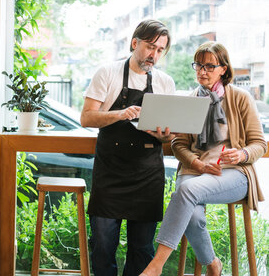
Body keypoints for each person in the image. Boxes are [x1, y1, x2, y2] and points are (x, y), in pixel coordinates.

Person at [140, 42, 266, 276]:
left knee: (186, 191)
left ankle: (155, 266)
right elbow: (179, 144)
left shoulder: (240, 98)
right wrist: (197, 163)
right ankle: (213, 264)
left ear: (223, 69)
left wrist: (242, 154)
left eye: (209, 66)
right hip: (194, 171)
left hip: (233, 173)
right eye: (198, 65)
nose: (202, 71)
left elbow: (259, 143)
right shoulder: (190, 100)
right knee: (193, 215)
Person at [80, 19, 176, 276]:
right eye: (149, 47)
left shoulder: (165, 82)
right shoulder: (108, 73)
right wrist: (120, 114)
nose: (153, 55)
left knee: (142, 249)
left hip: (147, 175)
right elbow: (87, 117)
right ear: (135, 43)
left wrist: (165, 136)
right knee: (102, 247)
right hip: (110, 173)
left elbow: (168, 137)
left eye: (159, 50)